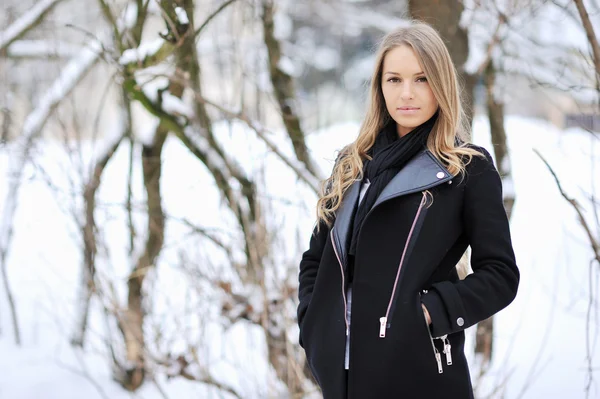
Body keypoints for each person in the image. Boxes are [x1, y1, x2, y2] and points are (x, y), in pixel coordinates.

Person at [296, 21, 519, 399]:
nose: (407, 94)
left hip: (420, 374)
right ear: (379, 87)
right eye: (394, 79)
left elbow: (500, 275)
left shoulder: (466, 168)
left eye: (421, 79)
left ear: (441, 84)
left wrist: (430, 314)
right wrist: (313, 323)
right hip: (344, 373)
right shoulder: (352, 164)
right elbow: (317, 258)